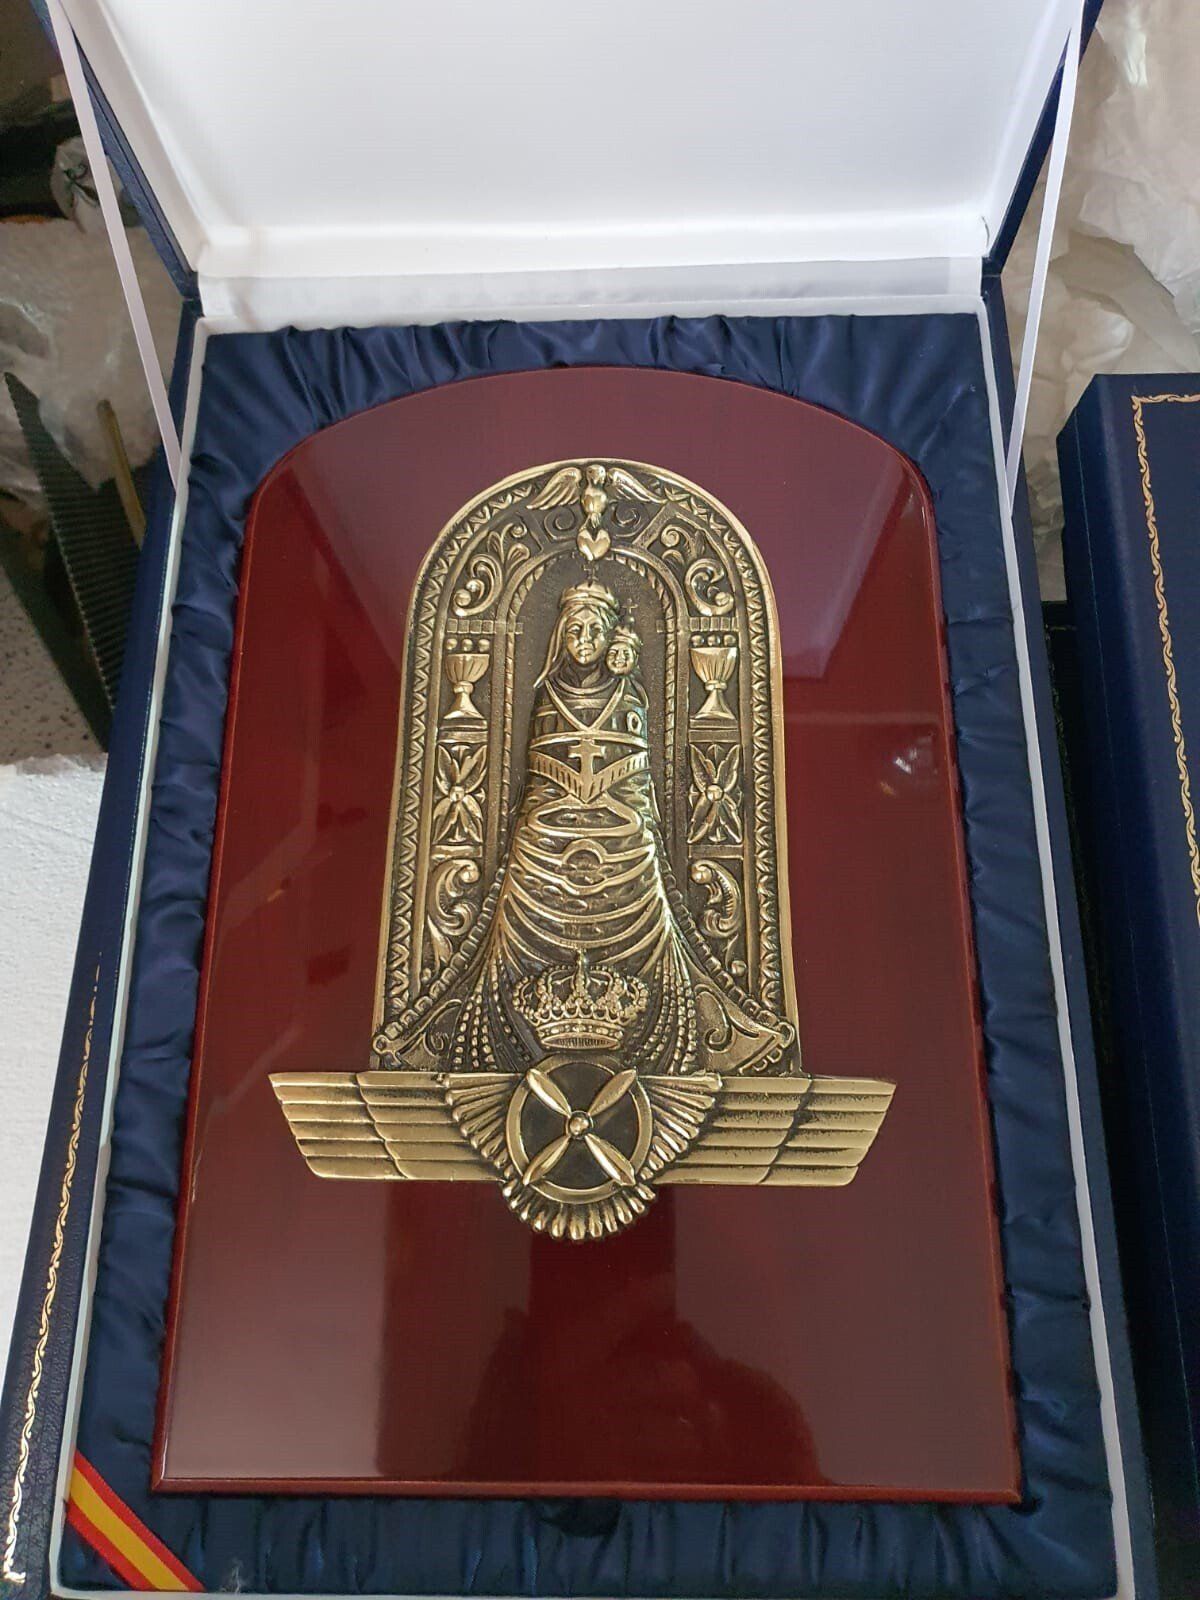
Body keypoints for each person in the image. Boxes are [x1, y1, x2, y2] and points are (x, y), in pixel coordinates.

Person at [436, 578, 791, 1077]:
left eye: (595, 631)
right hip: (549, 837)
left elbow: (637, 782)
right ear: (560, 636)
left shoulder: (629, 696)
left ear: (611, 637)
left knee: (648, 890)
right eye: (575, 630)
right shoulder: (548, 695)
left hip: (621, 834)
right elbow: (536, 781)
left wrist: (617, 812)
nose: (585, 640)